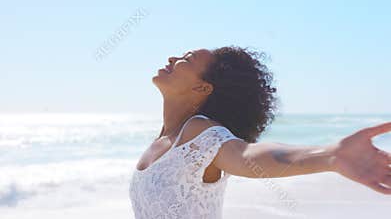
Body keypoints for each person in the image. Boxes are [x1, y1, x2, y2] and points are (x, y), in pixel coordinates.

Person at [129, 46, 391, 219]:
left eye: (186, 60)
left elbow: (247, 155)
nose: (172, 59)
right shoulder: (164, 140)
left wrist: (329, 155)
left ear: (203, 88)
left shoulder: (200, 132)